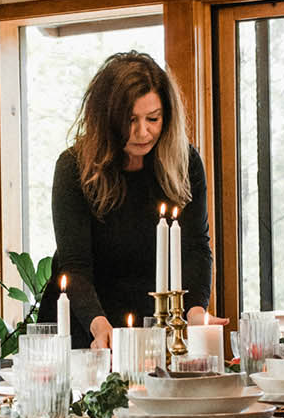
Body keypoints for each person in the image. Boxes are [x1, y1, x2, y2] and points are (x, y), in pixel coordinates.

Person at [36, 51, 224, 348]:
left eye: (153, 118)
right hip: (86, 322)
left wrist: (196, 310)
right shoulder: (74, 167)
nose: (143, 132)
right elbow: (75, 264)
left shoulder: (184, 163)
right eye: (130, 120)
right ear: (106, 119)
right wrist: (98, 325)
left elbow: (196, 246)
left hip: (151, 322)